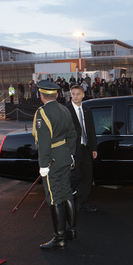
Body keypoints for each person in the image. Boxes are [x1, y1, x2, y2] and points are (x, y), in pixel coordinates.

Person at [32, 80, 77, 250]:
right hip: (65, 156)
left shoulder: (42, 112)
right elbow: (73, 134)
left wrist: (43, 165)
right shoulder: (65, 109)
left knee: (54, 196)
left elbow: (43, 142)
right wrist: (71, 154)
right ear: (56, 94)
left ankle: (59, 237)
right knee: (67, 193)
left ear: (41, 95)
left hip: (51, 159)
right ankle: (71, 231)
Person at [67, 85, 98, 212]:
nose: (75, 96)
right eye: (73, 94)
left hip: (85, 148)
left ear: (83, 95)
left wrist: (94, 148)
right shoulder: (66, 110)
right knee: (74, 177)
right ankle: (67, 201)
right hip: (73, 149)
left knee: (87, 176)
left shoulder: (87, 110)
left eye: (78, 94)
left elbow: (91, 130)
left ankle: (83, 202)